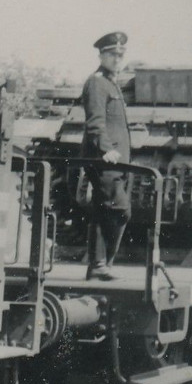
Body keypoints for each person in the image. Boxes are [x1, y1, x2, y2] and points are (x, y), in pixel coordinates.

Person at [81, 32, 132, 281]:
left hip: (117, 159)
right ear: (101, 55)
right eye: (112, 54)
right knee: (120, 209)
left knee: (106, 210)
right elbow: (95, 122)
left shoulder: (112, 83)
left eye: (120, 55)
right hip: (104, 159)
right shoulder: (97, 82)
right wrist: (105, 149)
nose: (117, 59)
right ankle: (101, 263)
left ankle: (100, 265)